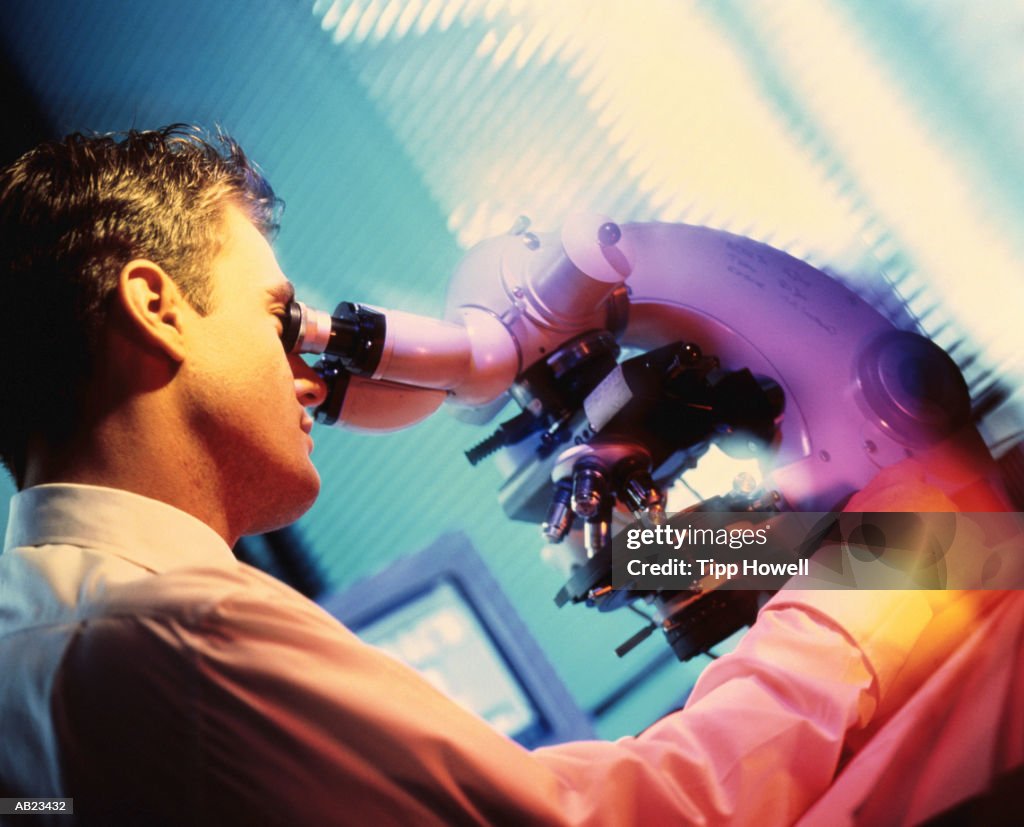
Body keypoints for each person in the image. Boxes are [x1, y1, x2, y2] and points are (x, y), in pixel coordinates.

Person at [0, 126, 1019, 826]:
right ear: (155, 304)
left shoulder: (34, 647)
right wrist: (859, 595)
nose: (307, 370)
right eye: (275, 318)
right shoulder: (179, 636)